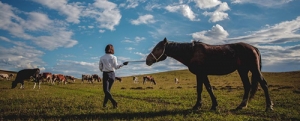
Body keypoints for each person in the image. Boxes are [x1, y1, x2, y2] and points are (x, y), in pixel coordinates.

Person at [99, 44, 128, 108]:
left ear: (106, 49)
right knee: (108, 91)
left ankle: (113, 102)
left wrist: (103, 69)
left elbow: (100, 67)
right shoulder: (114, 57)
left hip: (106, 74)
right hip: (112, 75)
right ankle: (104, 104)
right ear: (112, 49)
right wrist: (123, 64)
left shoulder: (102, 57)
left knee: (106, 91)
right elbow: (116, 67)